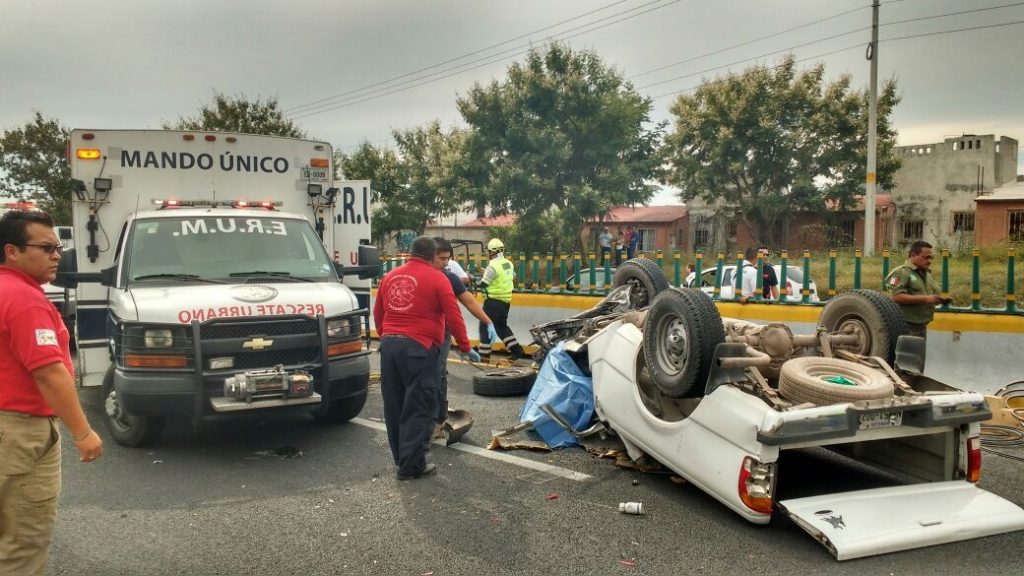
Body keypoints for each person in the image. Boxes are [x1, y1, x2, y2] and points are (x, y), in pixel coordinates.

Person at [0, 210, 103, 575]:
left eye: (57, 247)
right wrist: (83, 432)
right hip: (21, 432)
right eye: (46, 247)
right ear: (12, 251)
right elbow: (49, 373)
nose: (57, 254)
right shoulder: (25, 300)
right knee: (23, 545)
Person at [373, 236, 478, 480]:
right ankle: (413, 466)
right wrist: (464, 345)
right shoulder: (438, 278)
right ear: (432, 256)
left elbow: (378, 313)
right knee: (419, 406)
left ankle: (403, 459)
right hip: (419, 348)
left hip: (389, 346)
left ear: (410, 253)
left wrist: (390, 339)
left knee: (395, 406)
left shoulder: (390, 277)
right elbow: (454, 316)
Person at [431, 237, 498, 431]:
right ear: (430, 255)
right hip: (417, 333)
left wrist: (488, 321)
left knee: (438, 372)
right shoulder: (416, 275)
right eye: (441, 258)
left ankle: (438, 420)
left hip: (441, 331)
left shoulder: (449, 277)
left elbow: (468, 302)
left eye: (447, 259)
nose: (445, 263)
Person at [477, 238, 526, 362]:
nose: (488, 254)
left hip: (492, 302)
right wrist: (486, 272)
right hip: (505, 302)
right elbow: (512, 276)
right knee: (501, 327)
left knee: (485, 327)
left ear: (493, 252)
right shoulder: (508, 263)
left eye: (489, 252)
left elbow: (483, 284)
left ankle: (484, 357)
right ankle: (516, 350)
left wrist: (474, 279)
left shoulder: (492, 266)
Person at [885, 240, 945, 338]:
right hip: (906, 326)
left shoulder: (927, 275)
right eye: (926, 257)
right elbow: (896, 297)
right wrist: (925, 299)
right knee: (908, 352)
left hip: (923, 325)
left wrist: (939, 299)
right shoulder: (900, 273)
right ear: (913, 255)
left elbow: (933, 294)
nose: (929, 261)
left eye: (931, 258)